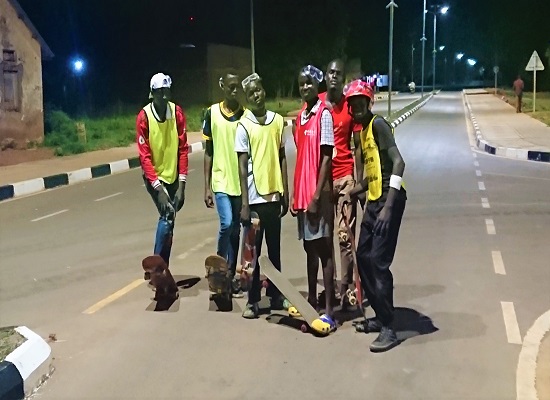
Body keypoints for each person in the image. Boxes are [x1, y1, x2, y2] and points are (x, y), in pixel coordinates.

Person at [343, 79, 407, 352]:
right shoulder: (362, 131)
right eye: (353, 104)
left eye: (361, 102)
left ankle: (390, 327)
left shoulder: (379, 125)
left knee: (378, 263)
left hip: (389, 202)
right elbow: (373, 174)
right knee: (363, 258)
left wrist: (389, 207)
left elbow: (398, 162)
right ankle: (381, 317)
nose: (357, 107)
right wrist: (352, 191)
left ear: (369, 102)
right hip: (374, 200)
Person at [235, 73, 289, 318]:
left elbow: (282, 157)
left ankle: (276, 295)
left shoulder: (278, 121)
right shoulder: (243, 125)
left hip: (273, 197)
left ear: (263, 91)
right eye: (251, 93)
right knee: (253, 254)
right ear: (247, 99)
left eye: (258, 90)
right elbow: (242, 165)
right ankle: (252, 301)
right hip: (255, 201)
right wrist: (245, 204)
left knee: (275, 251)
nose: (256, 95)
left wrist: (285, 191)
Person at [289, 65, 337, 333]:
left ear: (316, 85)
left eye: (308, 83)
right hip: (303, 194)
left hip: (318, 195)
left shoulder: (323, 114)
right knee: (309, 250)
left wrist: (317, 195)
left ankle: (329, 311)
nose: (304, 87)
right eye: (301, 84)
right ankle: (310, 303)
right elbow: (303, 157)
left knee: (324, 251)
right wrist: (298, 194)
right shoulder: (300, 117)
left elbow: (326, 157)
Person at [321, 59, 363, 310]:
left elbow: (357, 146)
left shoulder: (349, 106)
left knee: (345, 235)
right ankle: (330, 290)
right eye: (331, 73)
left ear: (343, 77)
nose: (334, 77)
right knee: (325, 238)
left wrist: (358, 182)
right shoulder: (317, 104)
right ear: (325, 76)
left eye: (339, 73)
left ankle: (346, 288)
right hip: (324, 180)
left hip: (345, 176)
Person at [137, 73, 188, 268]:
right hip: (154, 177)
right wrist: (158, 189)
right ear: (152, 94)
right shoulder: (144, 117)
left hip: (174, 175)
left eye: (167, 92)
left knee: (170, 221)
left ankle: (162, 266)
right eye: (160, 93)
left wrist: (182, 184)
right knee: (167, 215)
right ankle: (157, 267)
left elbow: (183, 149)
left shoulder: (177, 113)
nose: (164, 97)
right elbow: (144, 156)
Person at [203, 71, 245, 297]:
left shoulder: (245, 115)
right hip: (220, 180)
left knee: (236, 230)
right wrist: (207, 186)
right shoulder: (211, 114)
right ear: (223, 87)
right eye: (231, 86)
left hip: (239, 183)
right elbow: (208, 152)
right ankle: (219, 265)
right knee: (227, 224)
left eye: (237, 86)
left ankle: (229, 275)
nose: (235, 90)